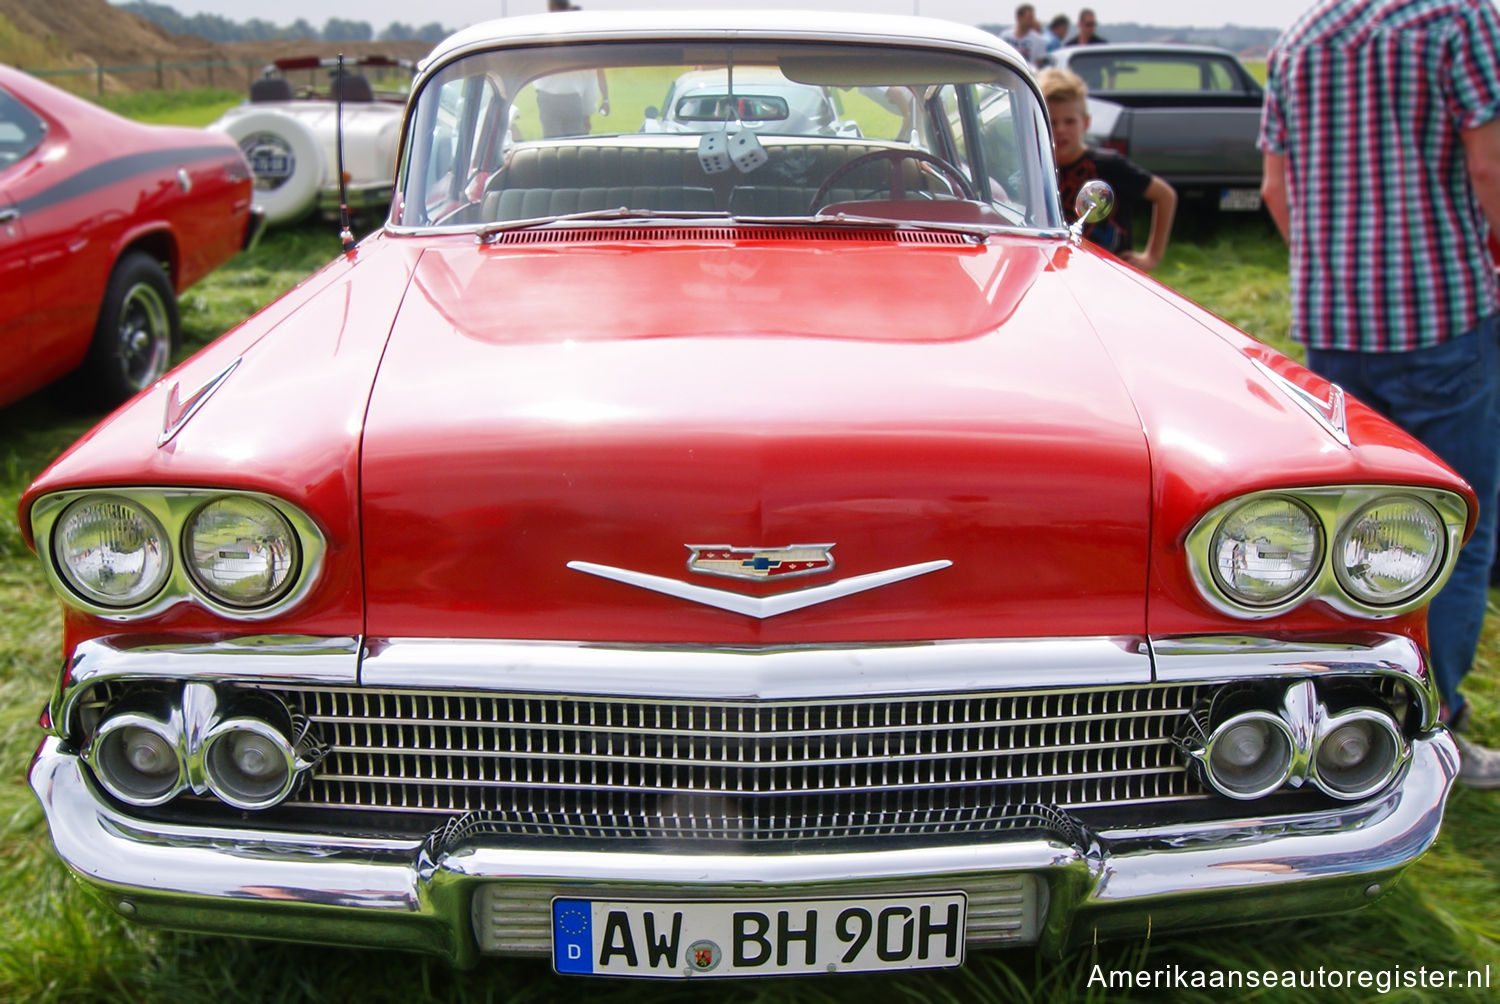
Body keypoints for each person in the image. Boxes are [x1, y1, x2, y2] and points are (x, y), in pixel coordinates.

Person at [1259, 0, 1500, 788]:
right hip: (1441, 312)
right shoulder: (1456, 19)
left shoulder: (1302, 35)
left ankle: (1341, 720)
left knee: (1350, 538)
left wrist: (1334, 266)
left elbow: (1274, 189)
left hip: (1336, 320)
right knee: (1456, 532)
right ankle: (1431, 729)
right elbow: (1491, 166)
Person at [1040, 68, 1175, 271]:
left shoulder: (1109, 165)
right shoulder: (1037, 171)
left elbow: (1165, 195)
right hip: (1056, 272)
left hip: (1110, 272)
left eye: (1069, 121)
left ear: (1085, 123)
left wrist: (1152, 256)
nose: (1060, 130)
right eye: (1052, 122)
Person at [537, 0, 610, 137]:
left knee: (551, 147)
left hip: (547, 98)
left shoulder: (542, 35)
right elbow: (590, 81)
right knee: (573, 145)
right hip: (572, 100)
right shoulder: (583, 44)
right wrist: (587, 113)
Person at [1000, 5, 1049, 69]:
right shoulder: (1005, 36)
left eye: (1032, 18)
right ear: (1019, 18)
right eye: (1029, 18)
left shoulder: (1038, 40)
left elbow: (1039, 63)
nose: (1031, 21)